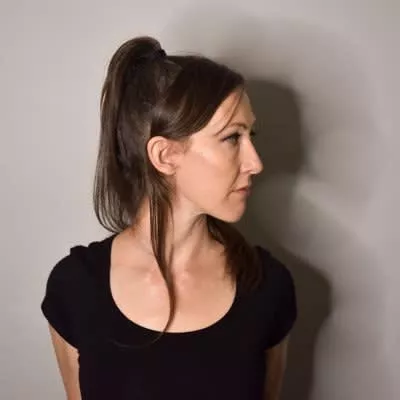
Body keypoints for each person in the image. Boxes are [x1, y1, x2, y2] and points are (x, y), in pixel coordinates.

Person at [41, 36, 297, 400]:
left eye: (250, 134)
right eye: (231, 138)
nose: (255, 163)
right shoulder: (76, 288)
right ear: (165, 155)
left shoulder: (267, 286)